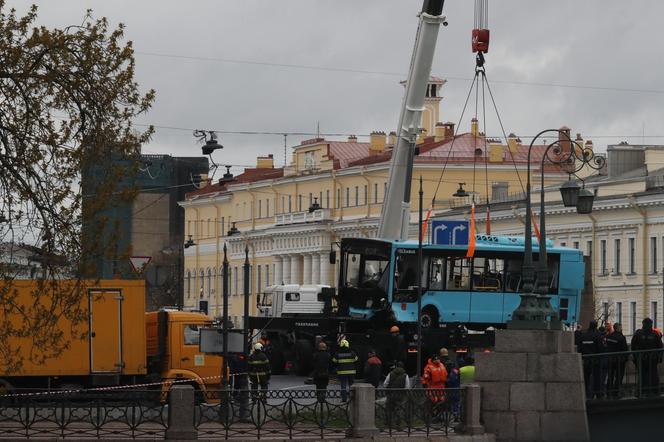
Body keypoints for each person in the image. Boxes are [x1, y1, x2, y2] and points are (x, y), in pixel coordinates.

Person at [631, 317, 663, 397]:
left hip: (641, 358)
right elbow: (660, 347)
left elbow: (633, 346)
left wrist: (635, 357)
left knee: (642, 375)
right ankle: (654, 391)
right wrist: (659, 358)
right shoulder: (655, 334)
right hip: (652, 359)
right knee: (653, 375)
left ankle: (641, 391)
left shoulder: (638, 333)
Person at [578, 320, 603, 399]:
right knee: (597, 377)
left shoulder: (584, 335)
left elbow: (580, 348)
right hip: (595, 359)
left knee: (586, 377)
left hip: (586, 359)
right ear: (596, 326)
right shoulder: (598, 335)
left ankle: (586, 393)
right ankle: (597, 394)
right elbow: (600, 348)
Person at [383, 361, 410, 431]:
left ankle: (388, 424)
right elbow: (407, 387)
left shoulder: (390, 374)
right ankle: (398, 425)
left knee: (389, 409)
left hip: (391, 394)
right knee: (399, 409)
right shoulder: (405, 375)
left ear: (396, 366)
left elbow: (385, 384)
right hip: (400, 395)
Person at [605, 323, 628, 398]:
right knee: (619, 377)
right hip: (619, 360)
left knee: (610, 376)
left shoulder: (608, 336)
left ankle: (608, 392)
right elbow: (625, 349)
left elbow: (606, 346)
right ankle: (616, 392)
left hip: (610, 359)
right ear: (618, 328)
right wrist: (625, 359)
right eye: (621, 327)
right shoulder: (621, 337)